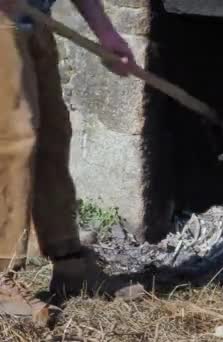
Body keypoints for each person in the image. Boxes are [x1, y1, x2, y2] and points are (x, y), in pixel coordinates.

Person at [0, 0, 137, 309]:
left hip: (35, 18)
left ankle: (70, 264)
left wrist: (106, 33)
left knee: (53, 136)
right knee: (13, 141)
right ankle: (1, 274)